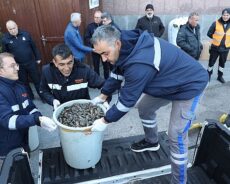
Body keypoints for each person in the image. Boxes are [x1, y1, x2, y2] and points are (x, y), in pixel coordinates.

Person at [90, 25, 208, 184]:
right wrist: (103, 95)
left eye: (105, 53)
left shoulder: (139, 63)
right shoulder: (125, 42)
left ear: (117, 44)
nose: (103, 59)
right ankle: (152, 142)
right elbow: (117, 72)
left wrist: (105, 120)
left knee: (176, 135)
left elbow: (126, 102)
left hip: (189, 85)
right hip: (167, 81)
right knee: (145, 108)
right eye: (100, 54)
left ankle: (179, 181)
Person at [0, 52, 56, 164]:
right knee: (15, 173)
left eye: (16, 65)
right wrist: (35, 120)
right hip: (7, 146)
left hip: (24, 139)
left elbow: (30, 108)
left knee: (26, 164)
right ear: (0, 70)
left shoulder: (19, 86)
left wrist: (40, 119)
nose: (16, 68)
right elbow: (8, 121)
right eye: (12, 66)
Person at [39, 44, 105, 110]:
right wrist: (53, 101)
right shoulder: (47, 71)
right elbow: (43, 91)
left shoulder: (84, 70)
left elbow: (103, 85)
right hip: (61, 110)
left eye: (69, 63)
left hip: (84, 110)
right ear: (55, 62)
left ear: (73, 59)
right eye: (62, 64)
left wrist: (103, 98)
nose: (67, 68)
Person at [2, 20, 43, 100]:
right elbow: (6, 54)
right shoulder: (5, 39)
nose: (13, 30)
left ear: (17, 26)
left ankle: (43, 97)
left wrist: (38, 57)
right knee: (24, 83)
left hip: (31, 62)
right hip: (19, 66)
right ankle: (30, 97)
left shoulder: (25, 34)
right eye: (10, 29)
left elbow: (33, 47)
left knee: (37, 80)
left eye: (14, 28)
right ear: (7, 29)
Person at [207, 8, 230, 83]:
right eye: (224, 15)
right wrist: (216, 38)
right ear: (222, 15)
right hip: (215, 48)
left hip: (225, 48)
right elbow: (209, 33)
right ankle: (208, 75)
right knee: (211, 62)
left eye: (227, 15)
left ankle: (220, 76)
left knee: (222, 63)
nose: (225, 16)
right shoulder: (215, 23)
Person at [85, 10, 107, 78]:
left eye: (98, 17)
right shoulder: (90, 26)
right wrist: (93, 43)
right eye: (95, 17)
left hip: (104, 50)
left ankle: (107, 80)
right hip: (95, 50)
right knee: (96, 66)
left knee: (106, 66)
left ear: (101, 18)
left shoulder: (105, 26)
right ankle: (97, 80)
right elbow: (86, 38)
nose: (96, 19)